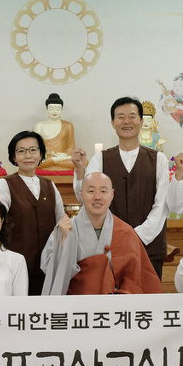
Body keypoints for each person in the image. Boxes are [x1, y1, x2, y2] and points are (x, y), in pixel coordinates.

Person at [72, 97, 169, 278]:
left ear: (141, 121)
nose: (126, 122)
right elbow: (85, 197)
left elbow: (162, 204)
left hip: (149, 247)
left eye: (132, 116)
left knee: (148, 294)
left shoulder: (159, 159)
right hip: (109, 245)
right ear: (113, 122)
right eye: (121, 117)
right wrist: (79, 171)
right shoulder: (101, 159)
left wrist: (137, 235)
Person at [41, 172, 163, 295]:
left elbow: (138, 278)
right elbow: (50, 271)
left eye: (103, 191)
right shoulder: (65, 229)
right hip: (75, 303)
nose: (97, 197)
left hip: (114, 304)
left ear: (112, 194)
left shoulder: (125, 232)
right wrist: (63, 242)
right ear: (81, 194)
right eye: (91, 191)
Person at [0, 130, 64, 295]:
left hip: (48, 265)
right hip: (16, 264)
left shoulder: (50, 185)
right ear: (14, 157)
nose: (28, 155)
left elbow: (61, 222)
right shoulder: (5, 184)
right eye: (21, 151)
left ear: (41, 154)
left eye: (33, 150)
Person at [34, 92, 76, 171]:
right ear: (47, 109)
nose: (54, 111)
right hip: (46, 157)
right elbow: (36, 146)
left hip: (63, 158)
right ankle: (54, 161)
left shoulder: (68, 125)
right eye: (51, 108)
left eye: (58, 109)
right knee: (34, 162)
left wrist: (65, 154)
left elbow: (71, 146)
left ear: (61, 109)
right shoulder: (39, 125)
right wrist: (46, 154)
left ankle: (54, 161)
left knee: (83, 162)